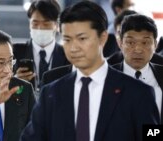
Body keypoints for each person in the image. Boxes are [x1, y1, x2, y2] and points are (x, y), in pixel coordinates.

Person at [20, 1, 159, 141]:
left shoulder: (139, 93)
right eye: (67, 40)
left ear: (103, 38)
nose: (74, 48)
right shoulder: (51, 94)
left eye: (82, 39)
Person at [111, 14, 163, 122]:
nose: (138, 50)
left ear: (155, 45)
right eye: (130, 42)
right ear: (120, 43)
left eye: (145, 42)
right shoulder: (105, 76)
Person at [13, 0, 70, 98]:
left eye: (46, 24)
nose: (40, 28)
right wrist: (14, 81)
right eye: (35, 24)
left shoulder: (68, 54)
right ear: (29, 24)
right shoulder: (14, 52)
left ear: (56, 25)